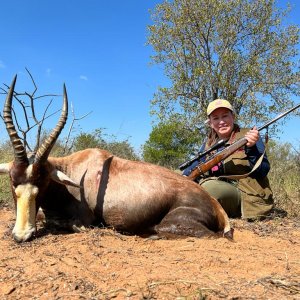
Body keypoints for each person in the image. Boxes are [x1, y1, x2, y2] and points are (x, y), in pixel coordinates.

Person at [182, 99, 274, 220]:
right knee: (174, 176)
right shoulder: (208, 142)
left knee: (209, 188)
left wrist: (251, 149)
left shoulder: (249, 135)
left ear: (233, 117)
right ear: (210, 123)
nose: (221, 121)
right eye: (215, 118)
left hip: (246, 196)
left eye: (225, 116)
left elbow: (263, 170)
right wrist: (184, 176)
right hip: (219, 187)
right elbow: (197, 164)